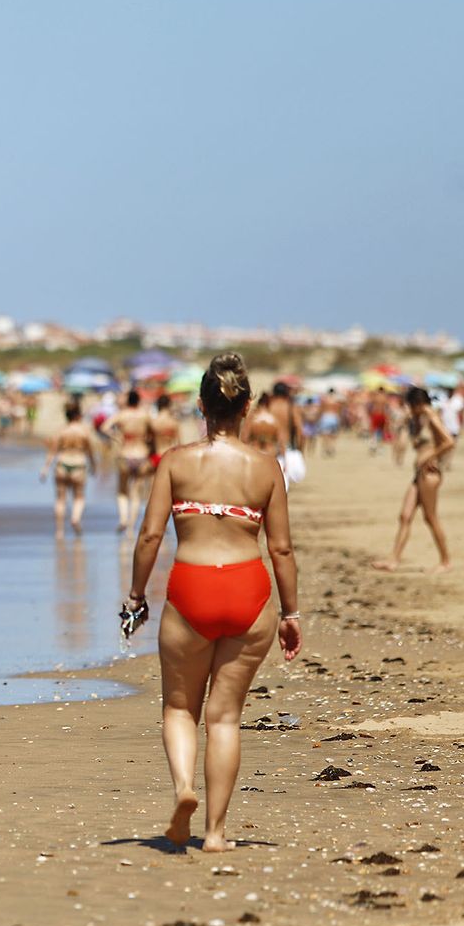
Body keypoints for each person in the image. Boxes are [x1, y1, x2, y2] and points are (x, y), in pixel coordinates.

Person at [126, 352, 301, 852]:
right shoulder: (267, 468)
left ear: (201, 406)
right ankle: (217, 835)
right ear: (245, 408)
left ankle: (184, 789)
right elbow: (282, 548)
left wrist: (136, 597)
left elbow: (150, 536)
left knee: (180, 707)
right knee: (224, 717)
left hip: (191, 589)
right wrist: (291, 614)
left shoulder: (176, 462)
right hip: (248, 591)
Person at [373, 386, 455, 574]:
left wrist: (432, 456)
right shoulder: (418, 418)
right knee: (405, 515)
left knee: (430, 517)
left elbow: (449, 441)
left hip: (430, 475)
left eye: (410, 405)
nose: (409, 408)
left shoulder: (431, 416)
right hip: (419, 474)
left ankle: (445, 561)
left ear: (417, 403)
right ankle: (393, 560)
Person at [41, 399, 96, 537]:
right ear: (78, 415)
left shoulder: (62, 430)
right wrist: (93, 465)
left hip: (62, 465)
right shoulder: (84, 431)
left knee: (60, 499)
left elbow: (53, 451)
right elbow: (90, 451)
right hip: (78, 465)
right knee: (79, 497)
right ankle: (75, 518)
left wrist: (45, 468)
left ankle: (59, 531)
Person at [106, 390, 154, 532]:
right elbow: (153, 431)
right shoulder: (145, 415)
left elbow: (104, 427)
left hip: (125, 453)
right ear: (138, 400)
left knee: (122, 490)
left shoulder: (122, 414)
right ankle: (132, 525)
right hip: (141, 454)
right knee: (136, 491)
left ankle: (123, 519)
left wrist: (117, 436)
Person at [150, 394, 182, 466]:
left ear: (158, 405)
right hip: (170, 456)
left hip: (157, 456)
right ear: (169, 405)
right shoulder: (174, 421)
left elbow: (150, 440)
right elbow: (179, 443)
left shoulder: (153, 422)